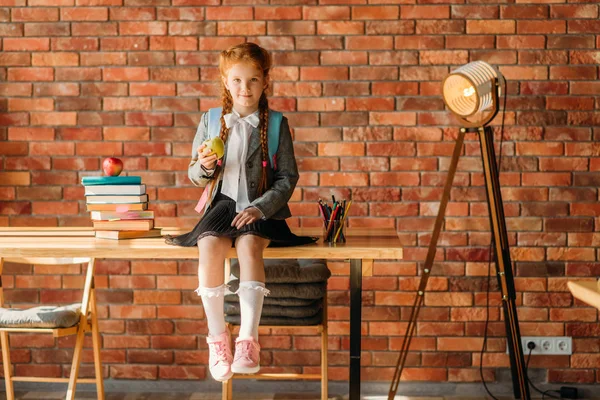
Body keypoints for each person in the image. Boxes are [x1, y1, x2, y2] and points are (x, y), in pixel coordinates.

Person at [165, 42, 317, 382]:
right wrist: (204, 167)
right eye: (237, 81)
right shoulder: (211, 120)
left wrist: (260, 208)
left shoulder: (276, 124)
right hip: (222, 205)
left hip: (261, 209)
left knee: (248, 245)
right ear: (225, 81)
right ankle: (218, 340)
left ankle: (248, 339)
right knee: (209, 244)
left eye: (253, 80)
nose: (244, 89)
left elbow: (287, 177)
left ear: (265, 82)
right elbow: (194, 172)